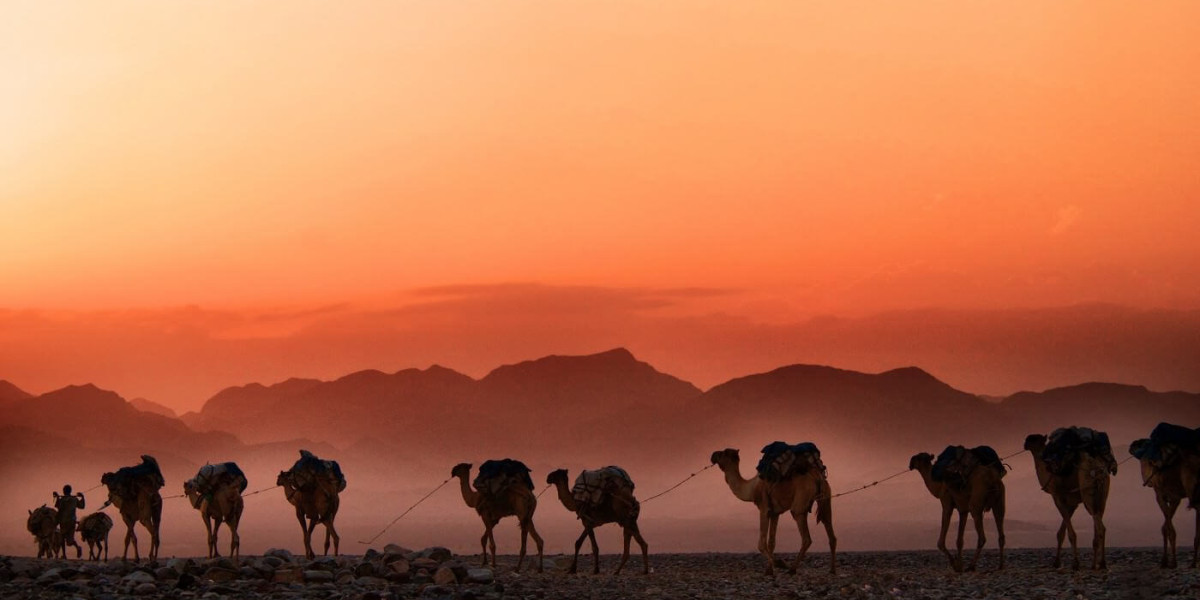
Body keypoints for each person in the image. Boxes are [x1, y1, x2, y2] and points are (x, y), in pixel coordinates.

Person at [52, 484, 85, 559]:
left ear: (64, 491)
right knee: (67, 540)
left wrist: (57, 497)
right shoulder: (74, 499)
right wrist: (82, 497)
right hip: (70, 522)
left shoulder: (62, 500)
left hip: (64, 522)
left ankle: (67, 553)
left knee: (65, 540)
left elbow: (57, 506)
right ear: (70, 491)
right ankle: (68, 553)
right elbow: (82, 506)